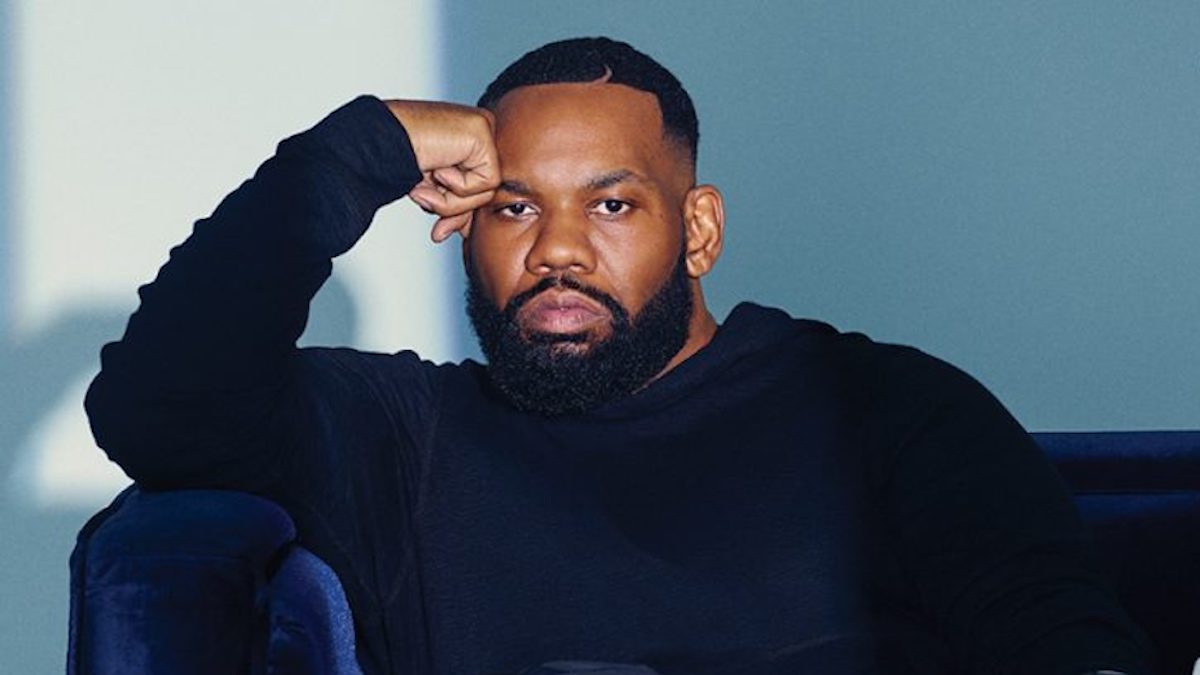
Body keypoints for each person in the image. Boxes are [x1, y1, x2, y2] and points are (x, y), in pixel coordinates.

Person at [85, 37, 1154, 675]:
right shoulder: (401, 435)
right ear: (463, 225)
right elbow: (159, 408)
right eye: (513, 206)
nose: (557, 249)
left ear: (698, 230)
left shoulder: (887, 407)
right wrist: (358, 149)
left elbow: (1057, 634)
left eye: (611, 204)